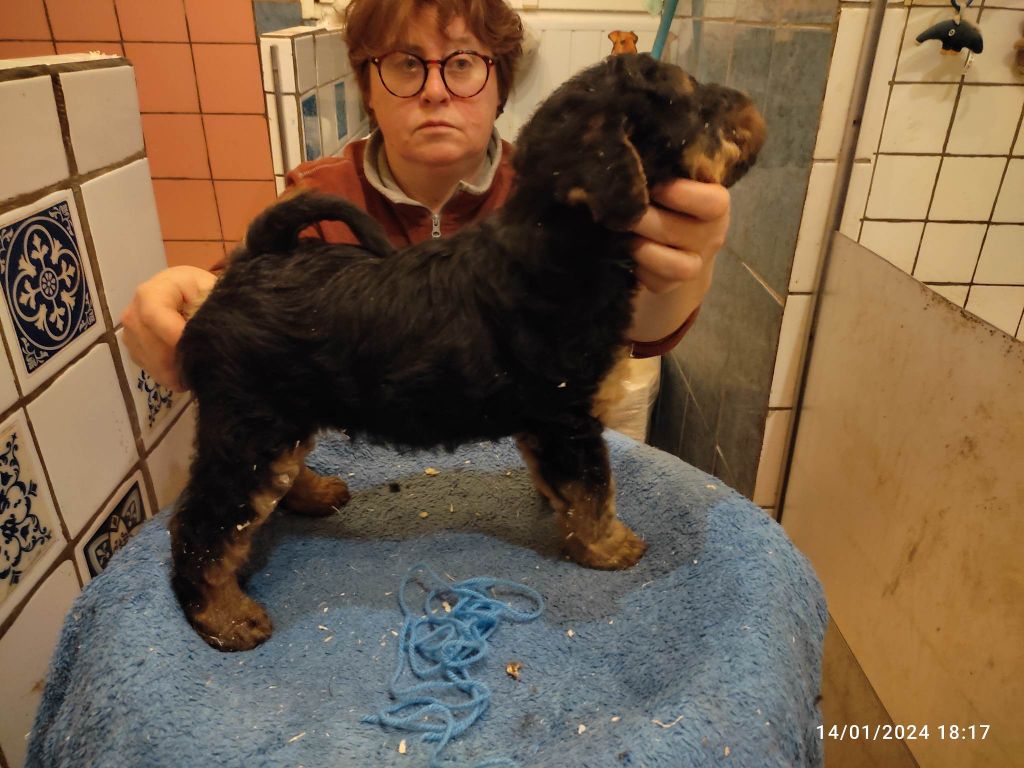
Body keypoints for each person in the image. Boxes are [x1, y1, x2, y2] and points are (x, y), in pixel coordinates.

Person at [122, 0, 731, 420]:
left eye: (462, 63)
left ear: (500, 84)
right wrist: (184, 299)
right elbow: (243, 301)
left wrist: (682, 269)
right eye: (405, 64)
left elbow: (639, 330)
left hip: (519, 461)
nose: (435, 90)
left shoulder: (560, 199)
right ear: (368, 88)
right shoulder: (317, 201)